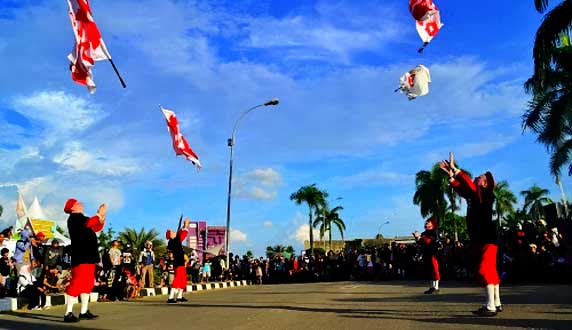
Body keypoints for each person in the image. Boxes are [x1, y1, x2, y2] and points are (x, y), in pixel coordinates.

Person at [440, 152, 501, 316]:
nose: (476, 178)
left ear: (485, 183)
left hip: (486, 237)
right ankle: (496, 302)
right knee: (491, 271)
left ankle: (490, 307)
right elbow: (463, 189)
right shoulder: (475, 195)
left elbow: (468, 184)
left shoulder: (486, 194)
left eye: (480, 177)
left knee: (484, 270)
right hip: (480, 237)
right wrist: (451, 176)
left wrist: (456, 169)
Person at [63, 198, 106, 323]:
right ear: (72, 208)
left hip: (88, 256)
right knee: (77, 283)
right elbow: (89, 223)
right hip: (81, 256)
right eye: (77, 203)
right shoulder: (74, 218)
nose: (80, 203)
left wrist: (102, 217)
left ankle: (83, 311)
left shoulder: (82, 218)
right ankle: (68, 313)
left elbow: (96, 227)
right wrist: (99, 214)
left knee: (87, 284)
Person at [413, 217, 441, 294]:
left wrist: (419, 238)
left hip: (433, 254)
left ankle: (436, 287)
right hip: (426, 255)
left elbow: (430, 242)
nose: (426, 223)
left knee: (435, 270)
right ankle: (432, 287)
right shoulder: (423, 234)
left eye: (428, 222)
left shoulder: (434, 233)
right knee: (429, 271)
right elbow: (420, 243)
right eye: (426, 222)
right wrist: (417, 238)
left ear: (432, 224)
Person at [165, 221, 189, 304]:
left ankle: (179, 296)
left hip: (180, 262)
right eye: (172, 232)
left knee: (183, 280)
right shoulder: (174, 241)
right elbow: (183, 235)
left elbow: (180, 234)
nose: (174, 232)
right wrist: (185, 226)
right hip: (178, 263)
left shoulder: (174, 241)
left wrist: (183, 227)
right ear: (171, 235)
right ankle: (171, 297)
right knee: (178, 280)